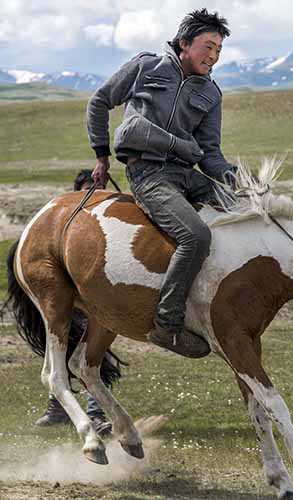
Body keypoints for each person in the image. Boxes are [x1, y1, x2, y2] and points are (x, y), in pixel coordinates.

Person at [87, 9, 236, 359]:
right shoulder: (146, 67)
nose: (213, 56)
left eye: (219, 50)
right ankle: (167, 325)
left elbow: (209, 153)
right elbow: (99, 101)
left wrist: (235, 178)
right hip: (148, 174)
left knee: (244, 210)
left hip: (187, 174)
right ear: (184, 43)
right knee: (195, 235)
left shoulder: (212, 93)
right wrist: (101, 153)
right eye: (208, 46)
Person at [34, 169, 112, 435]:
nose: (91, 194)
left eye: (96, 188)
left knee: (95, 355)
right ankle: (58, 407)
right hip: (69, 296)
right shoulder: (66, 226)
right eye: (86, 189)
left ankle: (95, 413)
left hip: (96, 300)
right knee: (59, 348)